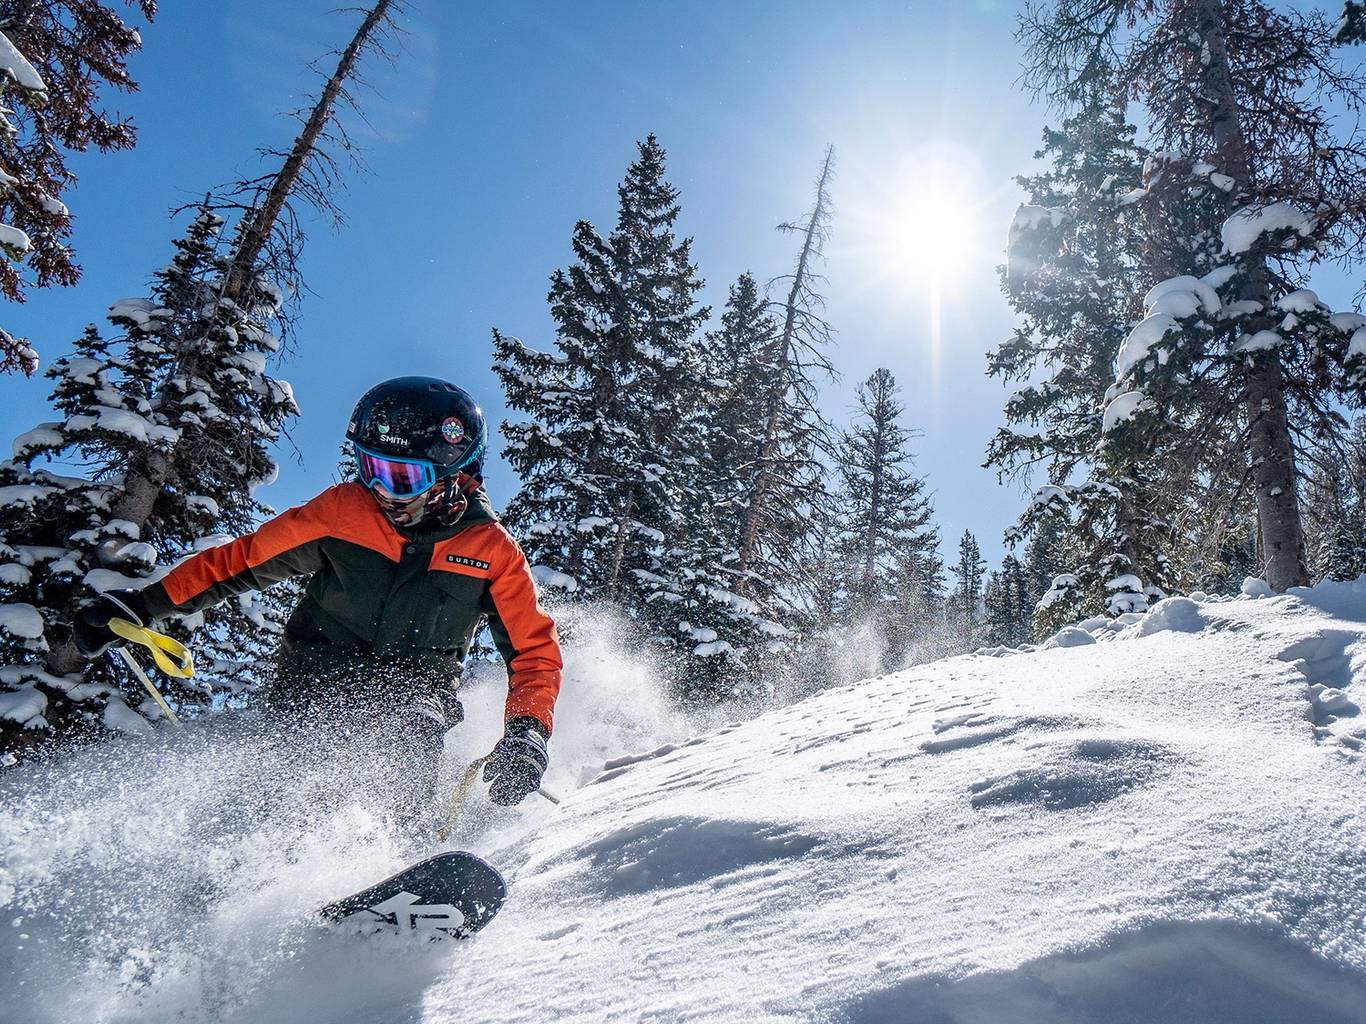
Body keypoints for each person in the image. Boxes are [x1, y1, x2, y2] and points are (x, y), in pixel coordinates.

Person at [74, 376, 561, 819]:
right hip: (315, 687)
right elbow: (238, 563)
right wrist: (143, 604)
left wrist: (527, 734)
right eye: (371, 469)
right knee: (290, 790)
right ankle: (249, 878)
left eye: (403, 478)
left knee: (401, 760)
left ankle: (398, 863)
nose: (383, 492)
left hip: (413, 700)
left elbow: (534, 654)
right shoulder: (343, 512)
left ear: (453, 474)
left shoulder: (492, 551)